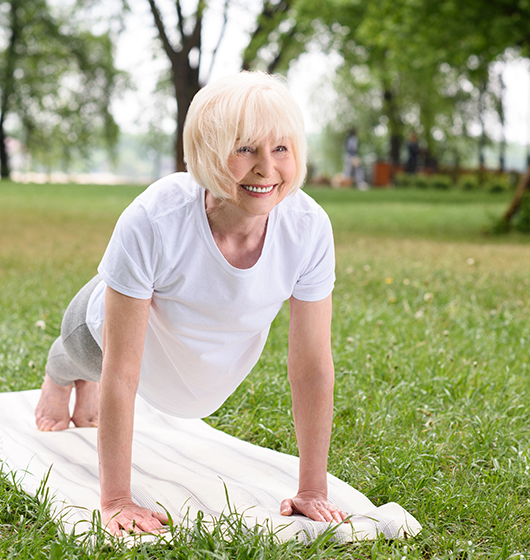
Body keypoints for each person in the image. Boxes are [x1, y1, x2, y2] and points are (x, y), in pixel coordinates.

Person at [34, 71, 346, 535]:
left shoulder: (308, 227)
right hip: (104, 329)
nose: (265, 168)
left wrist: (312, 490)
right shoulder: (154, 217)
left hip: (195, 361)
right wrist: (117, 500)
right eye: (244, 148)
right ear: (205, 153)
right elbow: (123, 370)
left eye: (280, 148)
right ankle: (58, 379)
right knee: (79, 355)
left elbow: (312, 367)